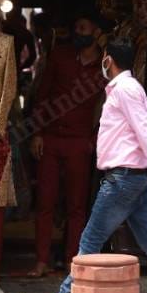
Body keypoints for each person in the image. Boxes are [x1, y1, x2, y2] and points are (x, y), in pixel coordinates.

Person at [24, 37, 147, 293]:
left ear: (108, 60)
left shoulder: (124, 89)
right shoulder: (126, 88)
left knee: (89, 242)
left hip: (122, 180)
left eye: (104, 57)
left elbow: (145, 132)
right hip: (133, 180)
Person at [26, 15, 107, 278]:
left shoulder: (105, 66)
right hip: (50, 139)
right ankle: (41, 261)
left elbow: (107, 107)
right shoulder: (60, 55)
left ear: (97, 32)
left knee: (76, 207)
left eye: (83, 27)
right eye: (76, 27)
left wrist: (94, 140)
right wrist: (37, 133)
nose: (78, 32)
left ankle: (74, 261)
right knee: (45, 203)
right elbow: (43, 94)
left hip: (80, 143)